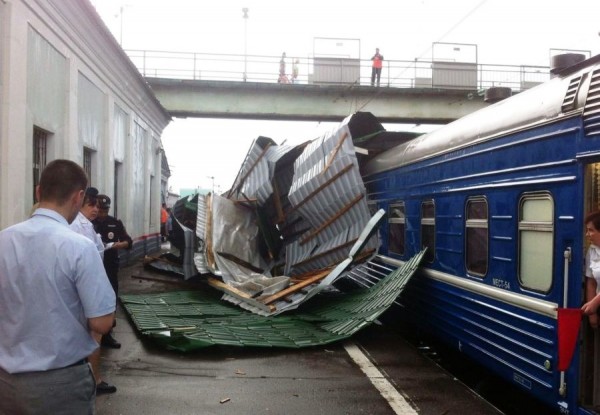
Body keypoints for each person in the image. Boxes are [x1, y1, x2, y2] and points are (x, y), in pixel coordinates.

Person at [0, 159, 115, 414]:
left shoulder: (4, 239)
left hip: (6, 381)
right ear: (79, 197)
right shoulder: (79, 247)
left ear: (38, 192)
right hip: (61, 384)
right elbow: (102, 322)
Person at [70, 187, 117, 395]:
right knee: (95, 333)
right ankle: (94, 381)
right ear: (79, 201)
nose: (95, 209)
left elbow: (100, 248)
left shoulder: (86, 225)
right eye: (91, 205)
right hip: (83, 286)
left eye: (97, 206)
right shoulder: (76, 227)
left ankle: (93, 379)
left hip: (88, 283)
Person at [93, 194, 133, 349]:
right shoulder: (89, 223)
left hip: (110, 267)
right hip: (94, 268)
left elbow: (128, 241)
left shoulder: (115, 223)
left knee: (110, 299)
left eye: (105, 209)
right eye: (100, 209)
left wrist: (120, 245)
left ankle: (108, 334)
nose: (102, 212)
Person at [582, 210, 600, 326]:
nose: (587, 234)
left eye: (591, 230)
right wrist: (592, 314)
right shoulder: (592, 250)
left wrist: (595, 303)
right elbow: (591, 282)